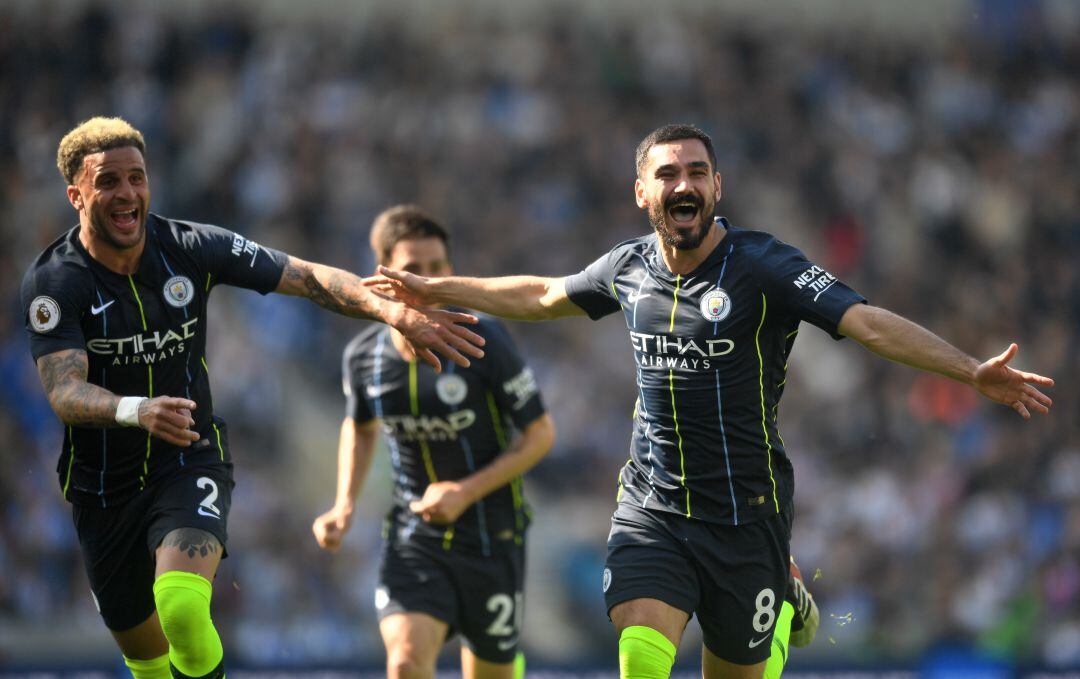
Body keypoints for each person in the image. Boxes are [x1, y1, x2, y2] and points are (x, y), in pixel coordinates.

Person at [365, 123, 1055, 679]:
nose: (684, 183)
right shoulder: (627, 268)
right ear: (642, 193)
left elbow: (867, 322)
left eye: (697, 172)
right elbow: (545, 295)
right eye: (667, 173)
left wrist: (969, 370)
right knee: (641, 653)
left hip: (746, 516)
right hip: (654, 507)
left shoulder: (764, 266)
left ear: (718, 186)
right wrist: (437, 290)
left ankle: (781, 608)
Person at [20, 117, 486, 679]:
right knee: (147, 663)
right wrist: (134, 410)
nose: (127, 193)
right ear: (77, 194)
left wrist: (392, 310)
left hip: (187, 459)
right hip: (101, 488)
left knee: (183, 608)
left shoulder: (190, 248)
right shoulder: (55, 282)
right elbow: (63, 390)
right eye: (108, 182)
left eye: (137, 178)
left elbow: (306, 275)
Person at [312, 205, 555, 679]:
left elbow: (540, 434)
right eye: (413, 269)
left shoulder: (484, 341)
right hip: (414, 538)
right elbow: (358, 427)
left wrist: (464, 491)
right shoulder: (364, 358)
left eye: (438, 267)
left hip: (492, 537)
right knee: (404, 662)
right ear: (383, 277)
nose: (428, 280)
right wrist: (343, 505)